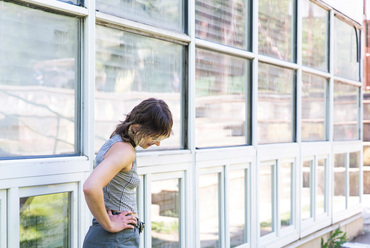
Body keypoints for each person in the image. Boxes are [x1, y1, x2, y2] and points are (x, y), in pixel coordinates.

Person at [83, 98, 173, 247]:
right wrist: (110, 225)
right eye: (154, 137)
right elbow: (91, 187)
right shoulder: (125, 151)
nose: (157, 143)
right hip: (116, 238)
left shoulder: (115, 142)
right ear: (136, 127)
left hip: (112, 237)